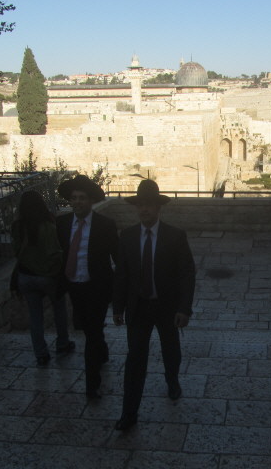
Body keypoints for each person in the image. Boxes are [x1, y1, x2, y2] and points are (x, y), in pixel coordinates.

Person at [113, 179, 195, 431]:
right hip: (138, 307)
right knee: (135, 359)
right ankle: (129, 413)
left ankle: (172, 380)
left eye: (149, 204)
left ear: (158, 207)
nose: (144, 209)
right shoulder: (127, 236)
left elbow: (186, 274)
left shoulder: (175, 236)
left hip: (166, 306)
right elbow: (122, 274)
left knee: (171, 349)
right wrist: (118, 307)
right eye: (140, 205)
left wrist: (184, 308)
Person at [56, 175, 118, 399]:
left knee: (91, 335)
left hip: (97, 287)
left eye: (82, 198)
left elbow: (117, 256)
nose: (77, 202)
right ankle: (102, 350)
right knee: (90, 329)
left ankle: (92, 384)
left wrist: (121, 289)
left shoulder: (105, 225)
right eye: (74, 198)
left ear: (91, 201)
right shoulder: (62, 224)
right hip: (75, 286)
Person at [12, 190, 75, 366]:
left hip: (26, 276)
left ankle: (40, 353)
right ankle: (62, 343)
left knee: (35, 316)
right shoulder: (48, 225)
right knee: (59, 309)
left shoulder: (17, 226)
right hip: (48, 276)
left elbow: (15, 250)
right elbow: (54, 252)